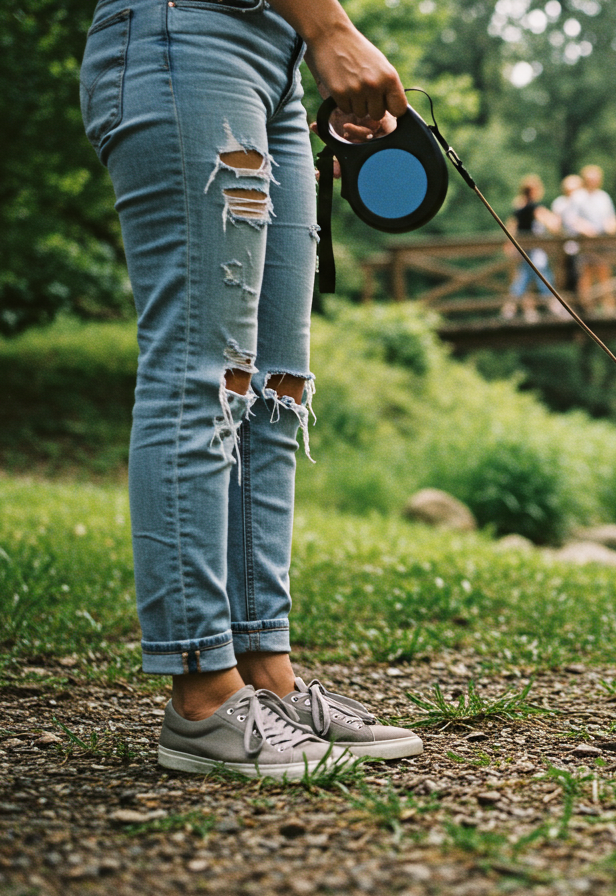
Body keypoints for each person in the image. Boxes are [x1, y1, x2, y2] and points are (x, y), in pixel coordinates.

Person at [79, 0, 423, 778]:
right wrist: (333, 27)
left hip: (276, 59)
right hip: (184, 34)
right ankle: (202, 693)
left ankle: (263, 669)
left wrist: (311, 39)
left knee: (274, 389)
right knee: (206, 372)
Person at [502, 175, 562, 323]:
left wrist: (509, 244)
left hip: (523, 247)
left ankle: (510, 308)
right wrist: (556, 223)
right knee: (539, 275)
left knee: (524, 276)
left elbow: (512, 224)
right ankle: (552, 304)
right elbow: (550, 223)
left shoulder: (518, 205)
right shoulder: (532, 206)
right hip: (532, 248)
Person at [573, 164, 616, 316]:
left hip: (602, 242)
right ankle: (586, 308)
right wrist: (586, 229)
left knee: (604, 272)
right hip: (585, 243)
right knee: (585, 274)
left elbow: (611, 218)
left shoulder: (603, 196)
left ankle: (609, 307)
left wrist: (611, 226)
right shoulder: (578, 196)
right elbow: (573, 219)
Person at [550, 174, 585, 299]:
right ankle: (565, 302)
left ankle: (585, 304)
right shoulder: (559, 203)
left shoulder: (583, 202)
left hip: (584, 246)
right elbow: (555, 225)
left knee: (582, 275)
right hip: (565, 245)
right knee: (564, 275)